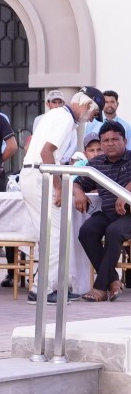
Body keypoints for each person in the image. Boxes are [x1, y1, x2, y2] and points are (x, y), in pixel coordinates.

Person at [21, 89, 103, 303]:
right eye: (94, 114)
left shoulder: (59, 115)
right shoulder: (65, 118)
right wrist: (58, 187)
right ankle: (42, 290)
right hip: (41, 176)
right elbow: (46, 152)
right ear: (87, 105)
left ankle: (54, 285)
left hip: (37, 174)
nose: (91, 119)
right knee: (55, 235)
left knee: (55, 233)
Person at [77, 121, 131, 302]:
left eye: (115, 139)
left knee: (113, 232)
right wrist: (78, 193)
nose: (110, 144)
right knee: (86, 231)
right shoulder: (95, 164)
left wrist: (126, 193)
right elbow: (78, 182)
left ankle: (100, 288)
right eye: (105, 140)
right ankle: (113, 281)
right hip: (108, 213)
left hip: (129, 215)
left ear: (125, 141)